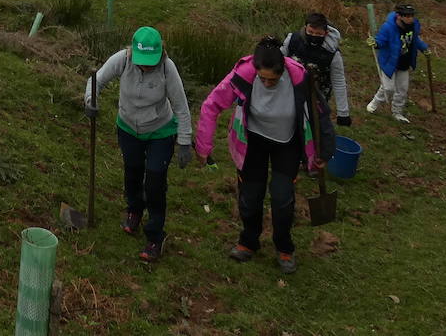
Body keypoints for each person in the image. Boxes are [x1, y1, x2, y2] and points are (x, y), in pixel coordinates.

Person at [195, 36, 323, 275]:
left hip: (287, 143)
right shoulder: (245, 73)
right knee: (250, 197)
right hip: (253, 141)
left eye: (272, 80)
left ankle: (284, 247)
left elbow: (319, 114)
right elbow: (212, 105)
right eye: (261, 78)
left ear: (282, 71)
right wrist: (204, 146)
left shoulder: (298, 77)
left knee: (282, 198)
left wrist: (320, 152)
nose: (265, 83)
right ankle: (248, 241)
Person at [83, 27, 193, 263]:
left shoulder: (167, 68)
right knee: (132, 172)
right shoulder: (122, 60)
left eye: (149, 62)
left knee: (154, 181)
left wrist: (185, 141)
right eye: (142, 62)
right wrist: (90, 101)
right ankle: (134, 210)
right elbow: (96, 80)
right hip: (128, 128)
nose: (145, 67)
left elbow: (182, 106)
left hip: (160, 131)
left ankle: (155, 235)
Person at [282, 12, 349, 160]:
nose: (313, 36)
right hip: (290, 92)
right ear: (305, 28)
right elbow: (278, 61)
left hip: (317, 97)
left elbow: (339, 81)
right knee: (290, 123)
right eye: (310, 32)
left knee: (314, 127)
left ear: (326, 32)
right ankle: (289, 153)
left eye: (318, 34)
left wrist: (343, 112)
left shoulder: (332, 54)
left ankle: (312, 157)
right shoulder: (292, 41)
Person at [366, 3, 430, 123]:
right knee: (388, 88)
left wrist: (424, 48)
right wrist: (375, 43)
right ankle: (374, 103)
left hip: (404, 62)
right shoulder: (388, 27)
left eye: (411, 15)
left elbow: (415, 39)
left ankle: (397, 113)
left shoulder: (414, 25)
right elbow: (381, 40)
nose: (410, 18)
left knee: (402, 89)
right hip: (389, 61)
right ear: (399, 16)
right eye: (406, 16)